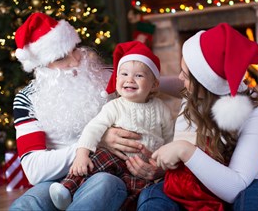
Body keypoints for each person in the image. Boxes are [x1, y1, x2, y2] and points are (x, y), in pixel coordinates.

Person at [135, 23, 258, 210]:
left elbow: (236, 186)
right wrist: (146, 82)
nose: (180, 78)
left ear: (205, 85)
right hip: (187, 191)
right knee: (153, 193)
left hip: (230, 195)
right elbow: (176, 85)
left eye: (185, 76)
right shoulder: (196, 93)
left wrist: (184, 150)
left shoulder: (257, 113)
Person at [9, 12, 136, 211]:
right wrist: (93, 142)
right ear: (42, 66)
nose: (75, 61)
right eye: (61, 58)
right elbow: (34, 169)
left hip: (107, 173)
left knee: (104, 186)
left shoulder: (111, 76)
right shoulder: (27, 98)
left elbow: (153, 85)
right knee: (28, 204)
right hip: (56, 181)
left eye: (75, 49)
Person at [48, 41, 174, 210]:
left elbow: (170, 139)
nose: (130, 79)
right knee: (95, 160)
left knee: (136, 193)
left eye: (139, 76)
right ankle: (67, 190)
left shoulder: (161, 109)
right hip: (114, 159)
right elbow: (93, 129)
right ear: (116, 79)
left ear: (154, 84)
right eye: (124, 74)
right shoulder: (114, 106)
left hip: (141, 168)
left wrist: (163, 164)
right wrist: (81, 154)